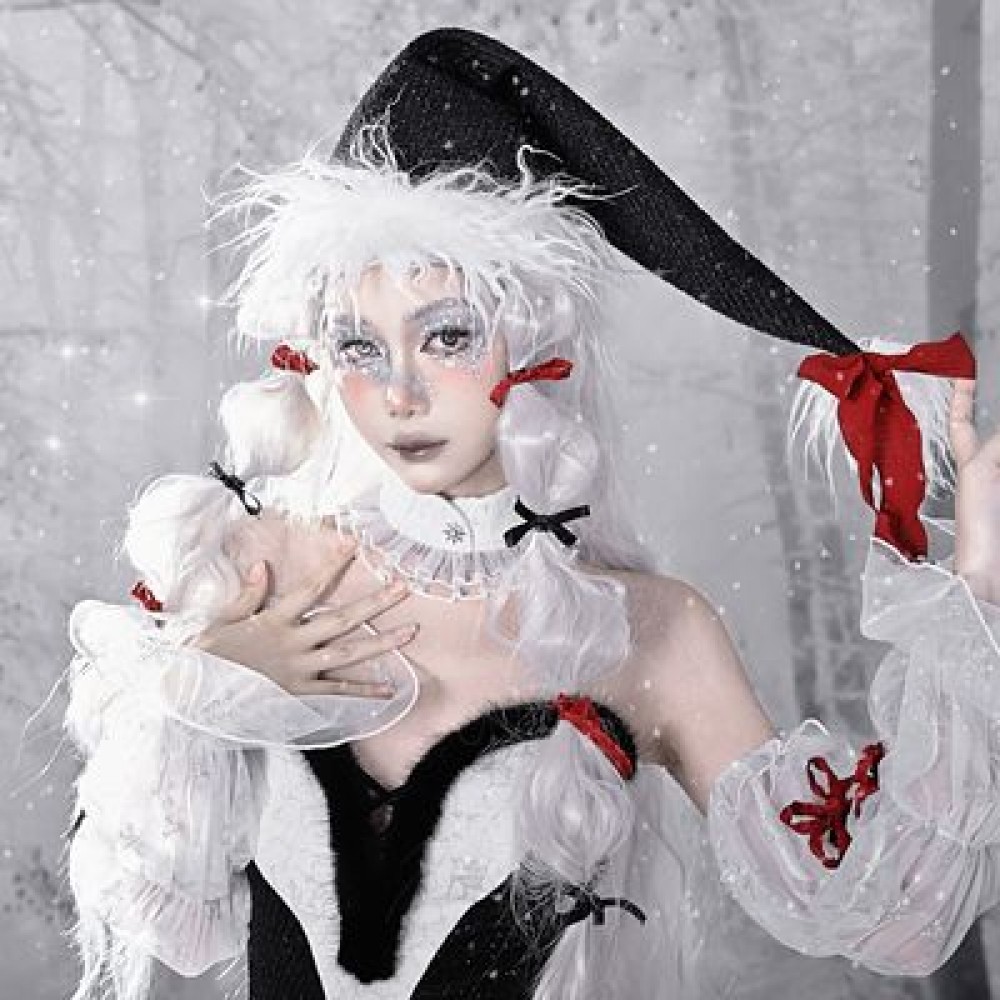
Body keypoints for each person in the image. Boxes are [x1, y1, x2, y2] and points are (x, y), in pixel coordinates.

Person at [61, 27, 1000, 1000]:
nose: (401, 394)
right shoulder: (256, 571)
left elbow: (886, 914)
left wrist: (977, 583)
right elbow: (161, 910)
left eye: (448, 336)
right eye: (360, 346)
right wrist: (201, 685)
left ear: (537, 335)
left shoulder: (650, 631)